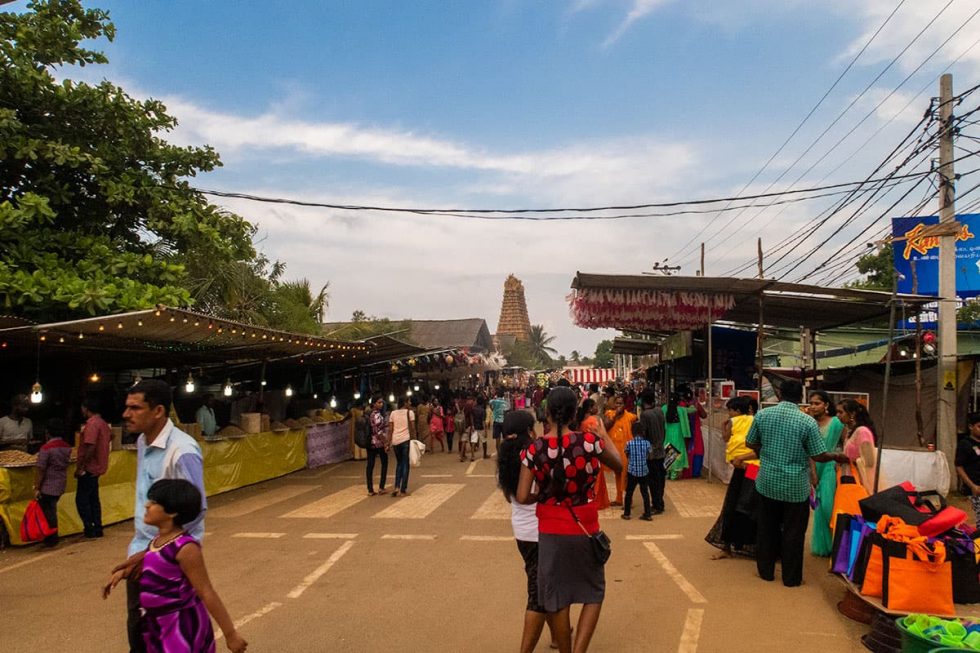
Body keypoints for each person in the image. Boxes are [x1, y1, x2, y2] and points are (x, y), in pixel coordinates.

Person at [517, 387, 623, 653]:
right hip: (585, 527)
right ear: (576, 412)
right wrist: (603, 435)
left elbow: (521, 495)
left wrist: (541, 495)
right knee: (594, 591)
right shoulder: (588, 442)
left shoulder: (534, 449)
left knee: (556, 597)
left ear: (547, 413)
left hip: (550, 530)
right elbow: (619, 465)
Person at [103, 479, 247, 653]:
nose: (147, 505)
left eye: (154, 502)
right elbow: (154, 567)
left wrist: (230, 634)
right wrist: (123, 573)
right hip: (157, 625)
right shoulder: (157, 542)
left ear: (172, 512)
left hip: (181, 627)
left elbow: (206, 592)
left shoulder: (185, 548)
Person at [119, 379, 207, 653]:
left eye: (135, 408)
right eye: (127, 407)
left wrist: (153, 552)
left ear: (157, 411)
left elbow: (195, 509)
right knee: (139, 628)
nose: (126, 414)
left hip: (169, 561)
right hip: (141, 552)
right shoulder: (145, 441)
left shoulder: (182, 451)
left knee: (168, 633)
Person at [745, 380, 848, 587]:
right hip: (795, 486)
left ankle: (765, 572)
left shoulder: (763, 415)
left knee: (766, 528)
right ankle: (791, 578)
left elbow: (750, 442)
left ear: (780, 394)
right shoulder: (807, 422)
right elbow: (818, 455)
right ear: (800, 397)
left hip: (767, 481)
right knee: (794, 532)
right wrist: (837, 457)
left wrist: (764, 451)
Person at [497, 409, 559, 653]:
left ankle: (557, 635)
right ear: (529, 431)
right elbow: (537, 492)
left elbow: (510, 496)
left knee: (546, 585)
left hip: (522, 531)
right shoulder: (533, 455)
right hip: (539, 531)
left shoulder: (506, 458)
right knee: (538, 595)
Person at [705, 397, 759, 559]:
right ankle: (736, 545)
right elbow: (728, 439)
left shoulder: (744, 421)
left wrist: (741, 459)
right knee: (743, 505)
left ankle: (733, 545)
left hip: (748, 468)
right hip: (749, 468)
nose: (729, 413)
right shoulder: (749, 421)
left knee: (740, 504)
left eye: (731, 410)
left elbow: (727, 439)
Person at [808, 390, 845, 556]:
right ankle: (827, 546)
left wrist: (840, 461)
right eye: (811, 403)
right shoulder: (810, 424)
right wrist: (813, 473)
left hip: (831, 467)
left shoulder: (837, 423)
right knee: (820, 507)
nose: (813, 407)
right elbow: (809, 452)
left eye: (817, 403)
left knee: (829, 506)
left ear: (826, 405)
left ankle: (839, 546)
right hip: (816, 467)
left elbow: (847, 443)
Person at [76, 395, 112, 538]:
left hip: (89, 468)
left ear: (86, 408)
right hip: (98, 467)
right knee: (93, 499)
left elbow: (90, 446)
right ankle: (97, 526)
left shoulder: (91, 424)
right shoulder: (103, 423)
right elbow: (111, 437)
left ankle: (89, 527)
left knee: (82, 500)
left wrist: (81, 467)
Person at [33, 418, 72, 548]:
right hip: (61, 482)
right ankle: (52, 537)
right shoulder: (66, 447)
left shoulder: (46, 448)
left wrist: (37, 486)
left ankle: (51, 538)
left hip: (48, 484)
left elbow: (40, 468)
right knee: (51, 509)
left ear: (47, 432)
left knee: (48, 511)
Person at [574, 399, 610, 510]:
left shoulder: (581, 421)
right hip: (595, 451)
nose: (597, 408)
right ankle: (597, 500)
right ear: (590, 408)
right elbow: (601, 436)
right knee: (598, 478)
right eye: (594, 406)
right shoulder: (594, 420)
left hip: (584, 452)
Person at [837, 399, 878, 494]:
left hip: (861, 481)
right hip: (850, 478)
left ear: (852, 414)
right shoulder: (850, 432)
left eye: (841, 412)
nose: (838, 415)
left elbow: (869, 462)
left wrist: (850, 461)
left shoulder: (862, 432)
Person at [602, 396, 636, 506]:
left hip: (626, 452)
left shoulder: (630, 417)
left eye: (621, 403)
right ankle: (619, 499)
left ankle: (628, 500)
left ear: (624, 405)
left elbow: (637, 428)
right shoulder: (609, 414)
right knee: (618, 474)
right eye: (617, 403)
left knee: (625, 475)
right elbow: (605, 427)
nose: (618, 406)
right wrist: (615, 415)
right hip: (615, 452)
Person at [638, 390, 667, 515]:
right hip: (661, 450)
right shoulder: (660, 411)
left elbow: (643, 433)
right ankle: (659, 502)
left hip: (651, 453)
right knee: (660, 479)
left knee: (653, 481)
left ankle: (657, 505)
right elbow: (663, 429)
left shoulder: (645, 415)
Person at [622, 422, 653, 521]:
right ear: (643, 432)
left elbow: (627, 454)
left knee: (629, 492)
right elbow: (650, 455)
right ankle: (648, 514)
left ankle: (627, 514)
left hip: (632, 471)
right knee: (645, 493)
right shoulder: (647, 443)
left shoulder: (629, 443)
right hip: (644, 471)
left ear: (633, 432)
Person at [677, 384, 708, 479]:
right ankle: (694, 472)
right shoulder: (693, 404)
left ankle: (684, 471)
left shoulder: (679, 405)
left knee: (687, 450)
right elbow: (704, 415)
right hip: (694, 433)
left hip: (684, 432)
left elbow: (703, 415)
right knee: (697, 450)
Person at [956, 413, 980, 526]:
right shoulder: (965, 444)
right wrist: (972, 486)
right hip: (975, 489)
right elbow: (959, 466)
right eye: (979, 426)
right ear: (971, 427)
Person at [388, 396, 415, 497]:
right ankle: (403, 489)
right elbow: (412, 428)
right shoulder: (410, 413)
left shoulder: (393, 413)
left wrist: (388, 442)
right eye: (409, 401)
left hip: (395, 441)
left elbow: (390, 429)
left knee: (399, 464)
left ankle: (396, 487)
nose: (410, 403)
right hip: (405, 440)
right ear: (405, 403)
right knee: (405, 464)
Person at [662, 393, 692, 480]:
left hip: (668, 431)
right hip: (678, 431)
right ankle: (674, 474)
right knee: (678, 450)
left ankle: (667, 472)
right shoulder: (681, 409)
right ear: (678, 401)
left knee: (668, 449)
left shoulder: (664, 408)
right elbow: (693, 410)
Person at [365, 396, 389, 496]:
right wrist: (385, 442)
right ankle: (381, 487)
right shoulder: (377, 415)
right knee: (384, 463)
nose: (381, 404)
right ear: (374, 403)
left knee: (370, 465)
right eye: (379, 402)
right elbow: (379, 432)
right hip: (378, 443)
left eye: (381, 402)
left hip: (370, 442)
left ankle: (370, 489)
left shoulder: (370, 414)